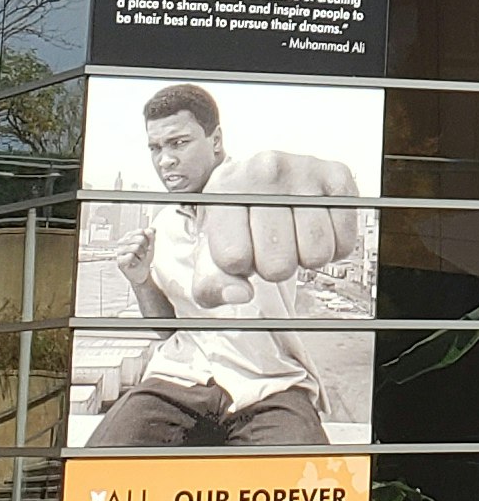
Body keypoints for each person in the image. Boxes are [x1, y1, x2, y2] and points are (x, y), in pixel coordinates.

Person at [78, 83, 376, 451]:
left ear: (216, 140)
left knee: (308, 487)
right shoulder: (163, 224)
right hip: (177, 380)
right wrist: (141, 281)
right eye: (155, 148)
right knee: (98, 471)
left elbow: (281, 182)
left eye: (179, 143)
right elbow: (166, 329)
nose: (164, 160)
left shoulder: (257, 196)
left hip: (270, 384)